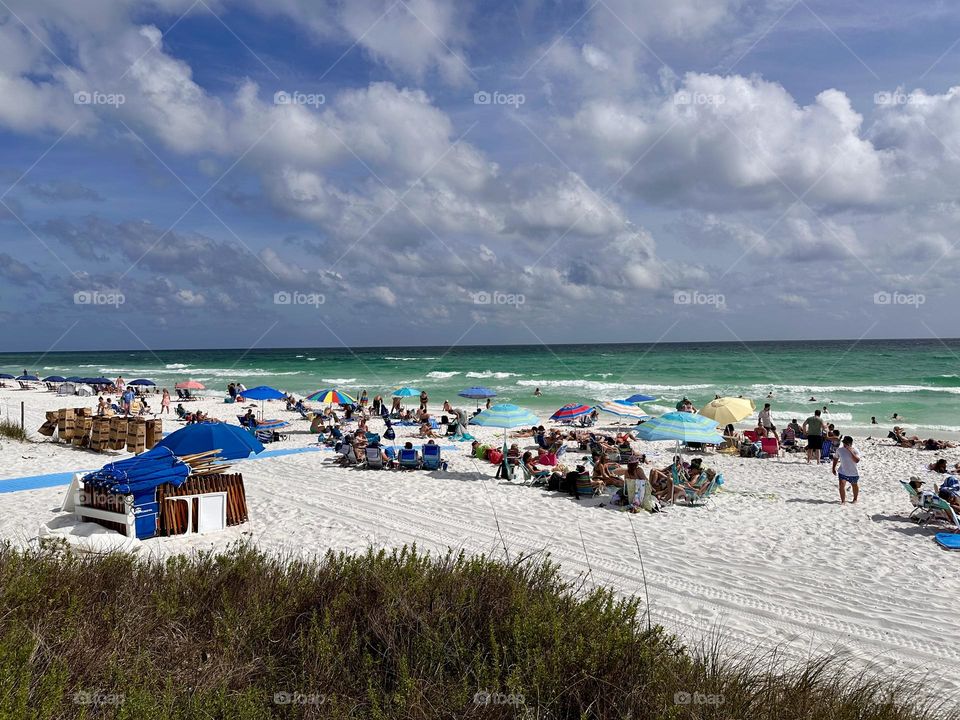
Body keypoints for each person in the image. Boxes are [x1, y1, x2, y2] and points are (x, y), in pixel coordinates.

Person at [832, 435, 861, 504]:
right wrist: (833, 468)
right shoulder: (839, 450)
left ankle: (855, 499)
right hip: (842, 471)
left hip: (853, 472)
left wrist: (850, 451)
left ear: (850, 443)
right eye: (844, 443)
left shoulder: (855, 450)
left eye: (846, 443)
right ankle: (843, 501)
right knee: (841, 485)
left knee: (854, 485)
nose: (844, 445)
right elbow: (836, 458)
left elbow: (857, 460)